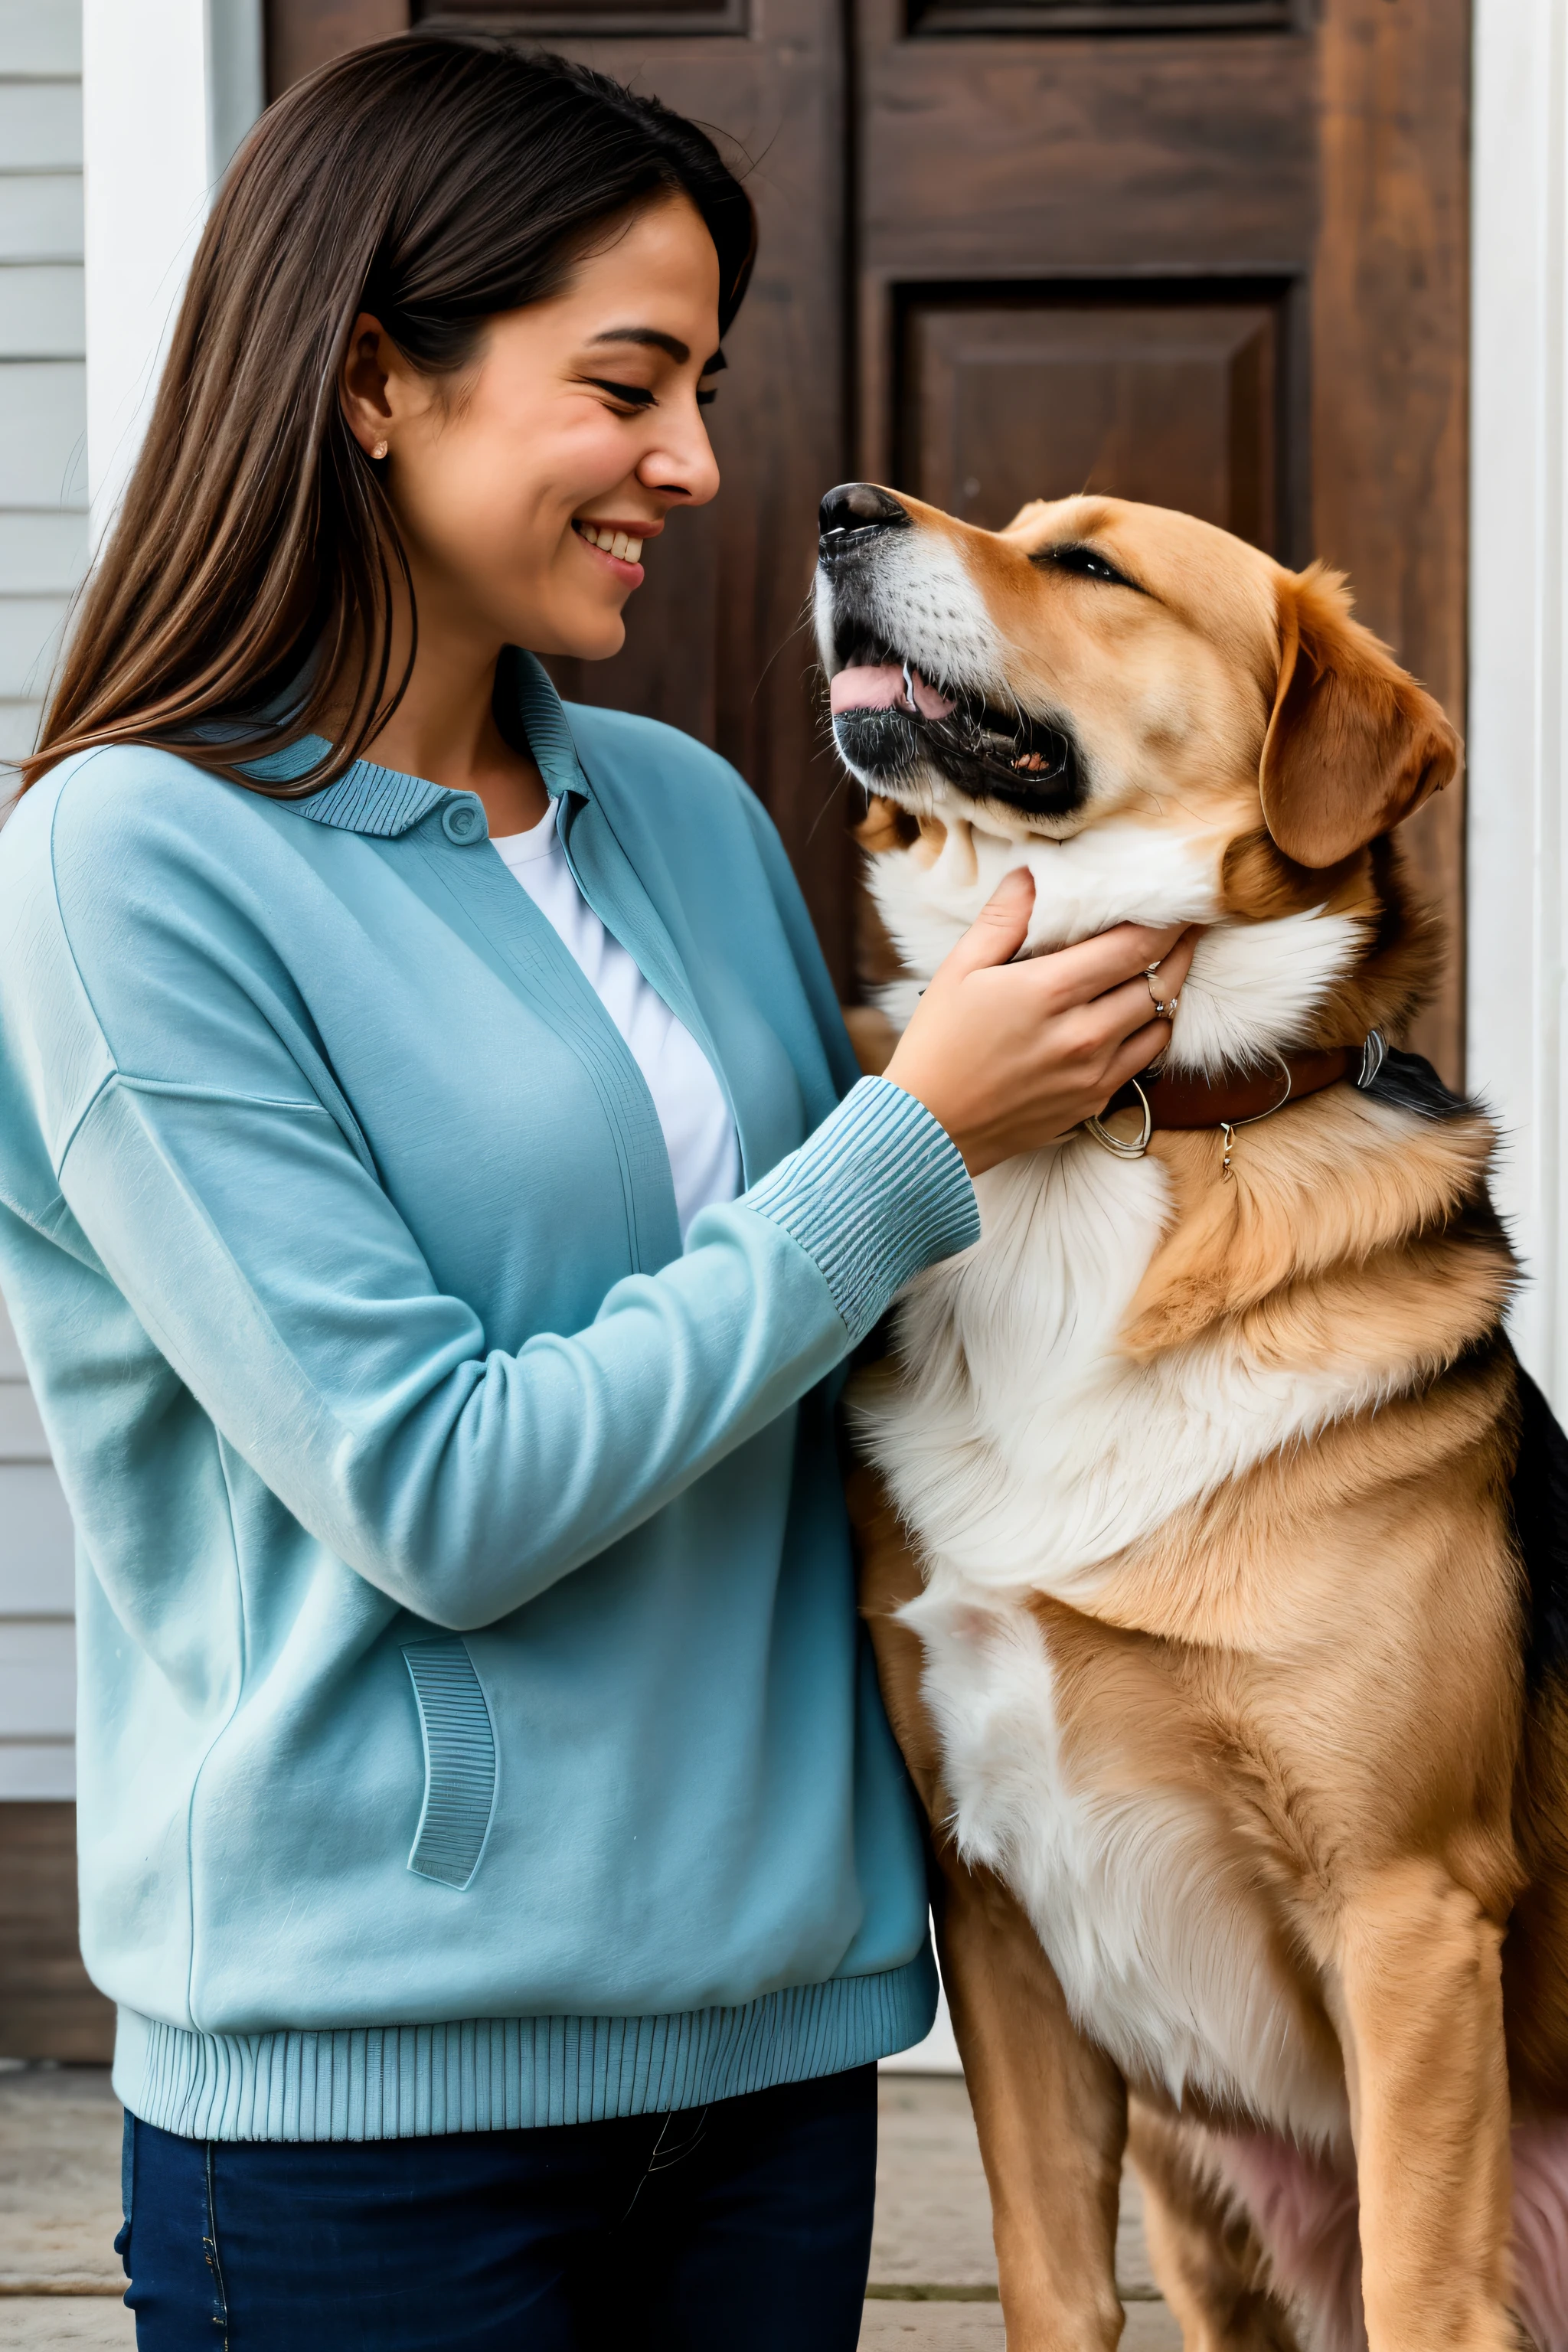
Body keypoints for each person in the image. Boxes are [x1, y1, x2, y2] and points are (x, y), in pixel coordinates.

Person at [0, 34, 1193, 2351]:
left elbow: (858, 1368)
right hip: (364, 2114)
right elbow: (436, 1490)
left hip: (775, 2061)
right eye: (629, 382)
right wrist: (918, 1144)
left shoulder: (682, 814)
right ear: (370, 377)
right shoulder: (126, 871)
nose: (701, 463)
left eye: (704, 386)